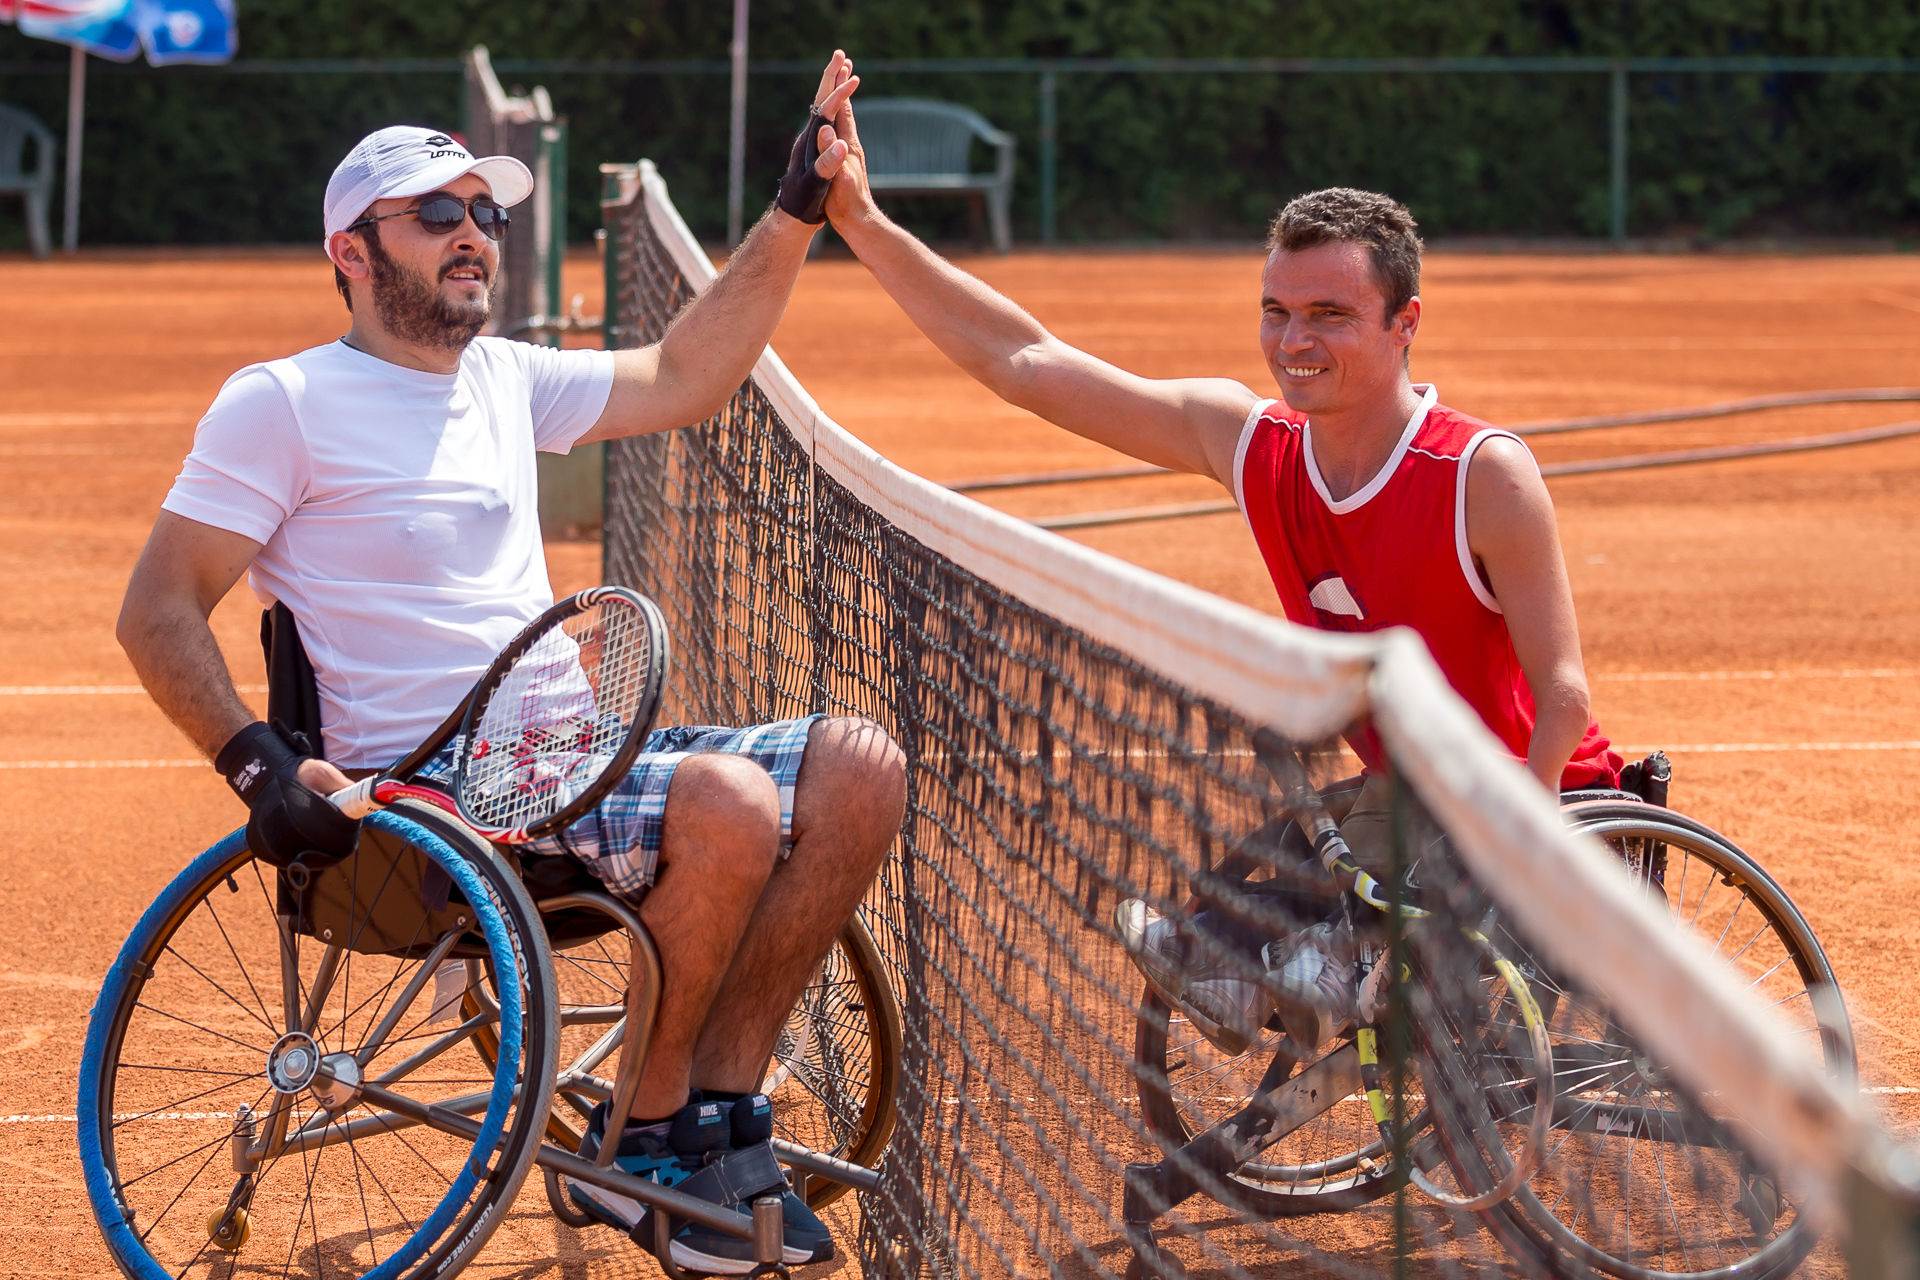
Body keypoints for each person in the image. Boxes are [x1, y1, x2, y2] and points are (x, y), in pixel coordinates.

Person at [115, 52, 902, 1276]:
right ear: (351, 251)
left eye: (484, 212)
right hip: (428, 800)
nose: (472, 232)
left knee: (862, 766)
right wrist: (256, 761)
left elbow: (685, 375)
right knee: (732, 802)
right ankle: (644, 1147)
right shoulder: (282, 403)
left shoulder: (500, 376)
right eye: (437, 213)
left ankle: (713, 1117)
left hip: (571, 763)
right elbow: (157, 608)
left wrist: (797, 209)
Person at [816, 90, 1619, 1059]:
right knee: (1231, 932)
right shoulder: (1254, 445)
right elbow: (1024, 359)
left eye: (1329, 315)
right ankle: (1270, 967)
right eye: (1277, 312)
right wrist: (862, 222)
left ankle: (1316, 962)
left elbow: (1564, 696)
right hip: (1405, 801)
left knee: (1309, 916)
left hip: (1538, 803)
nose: (1293, 342)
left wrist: (1518, 843)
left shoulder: (1482, 475)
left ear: (1405, 322)